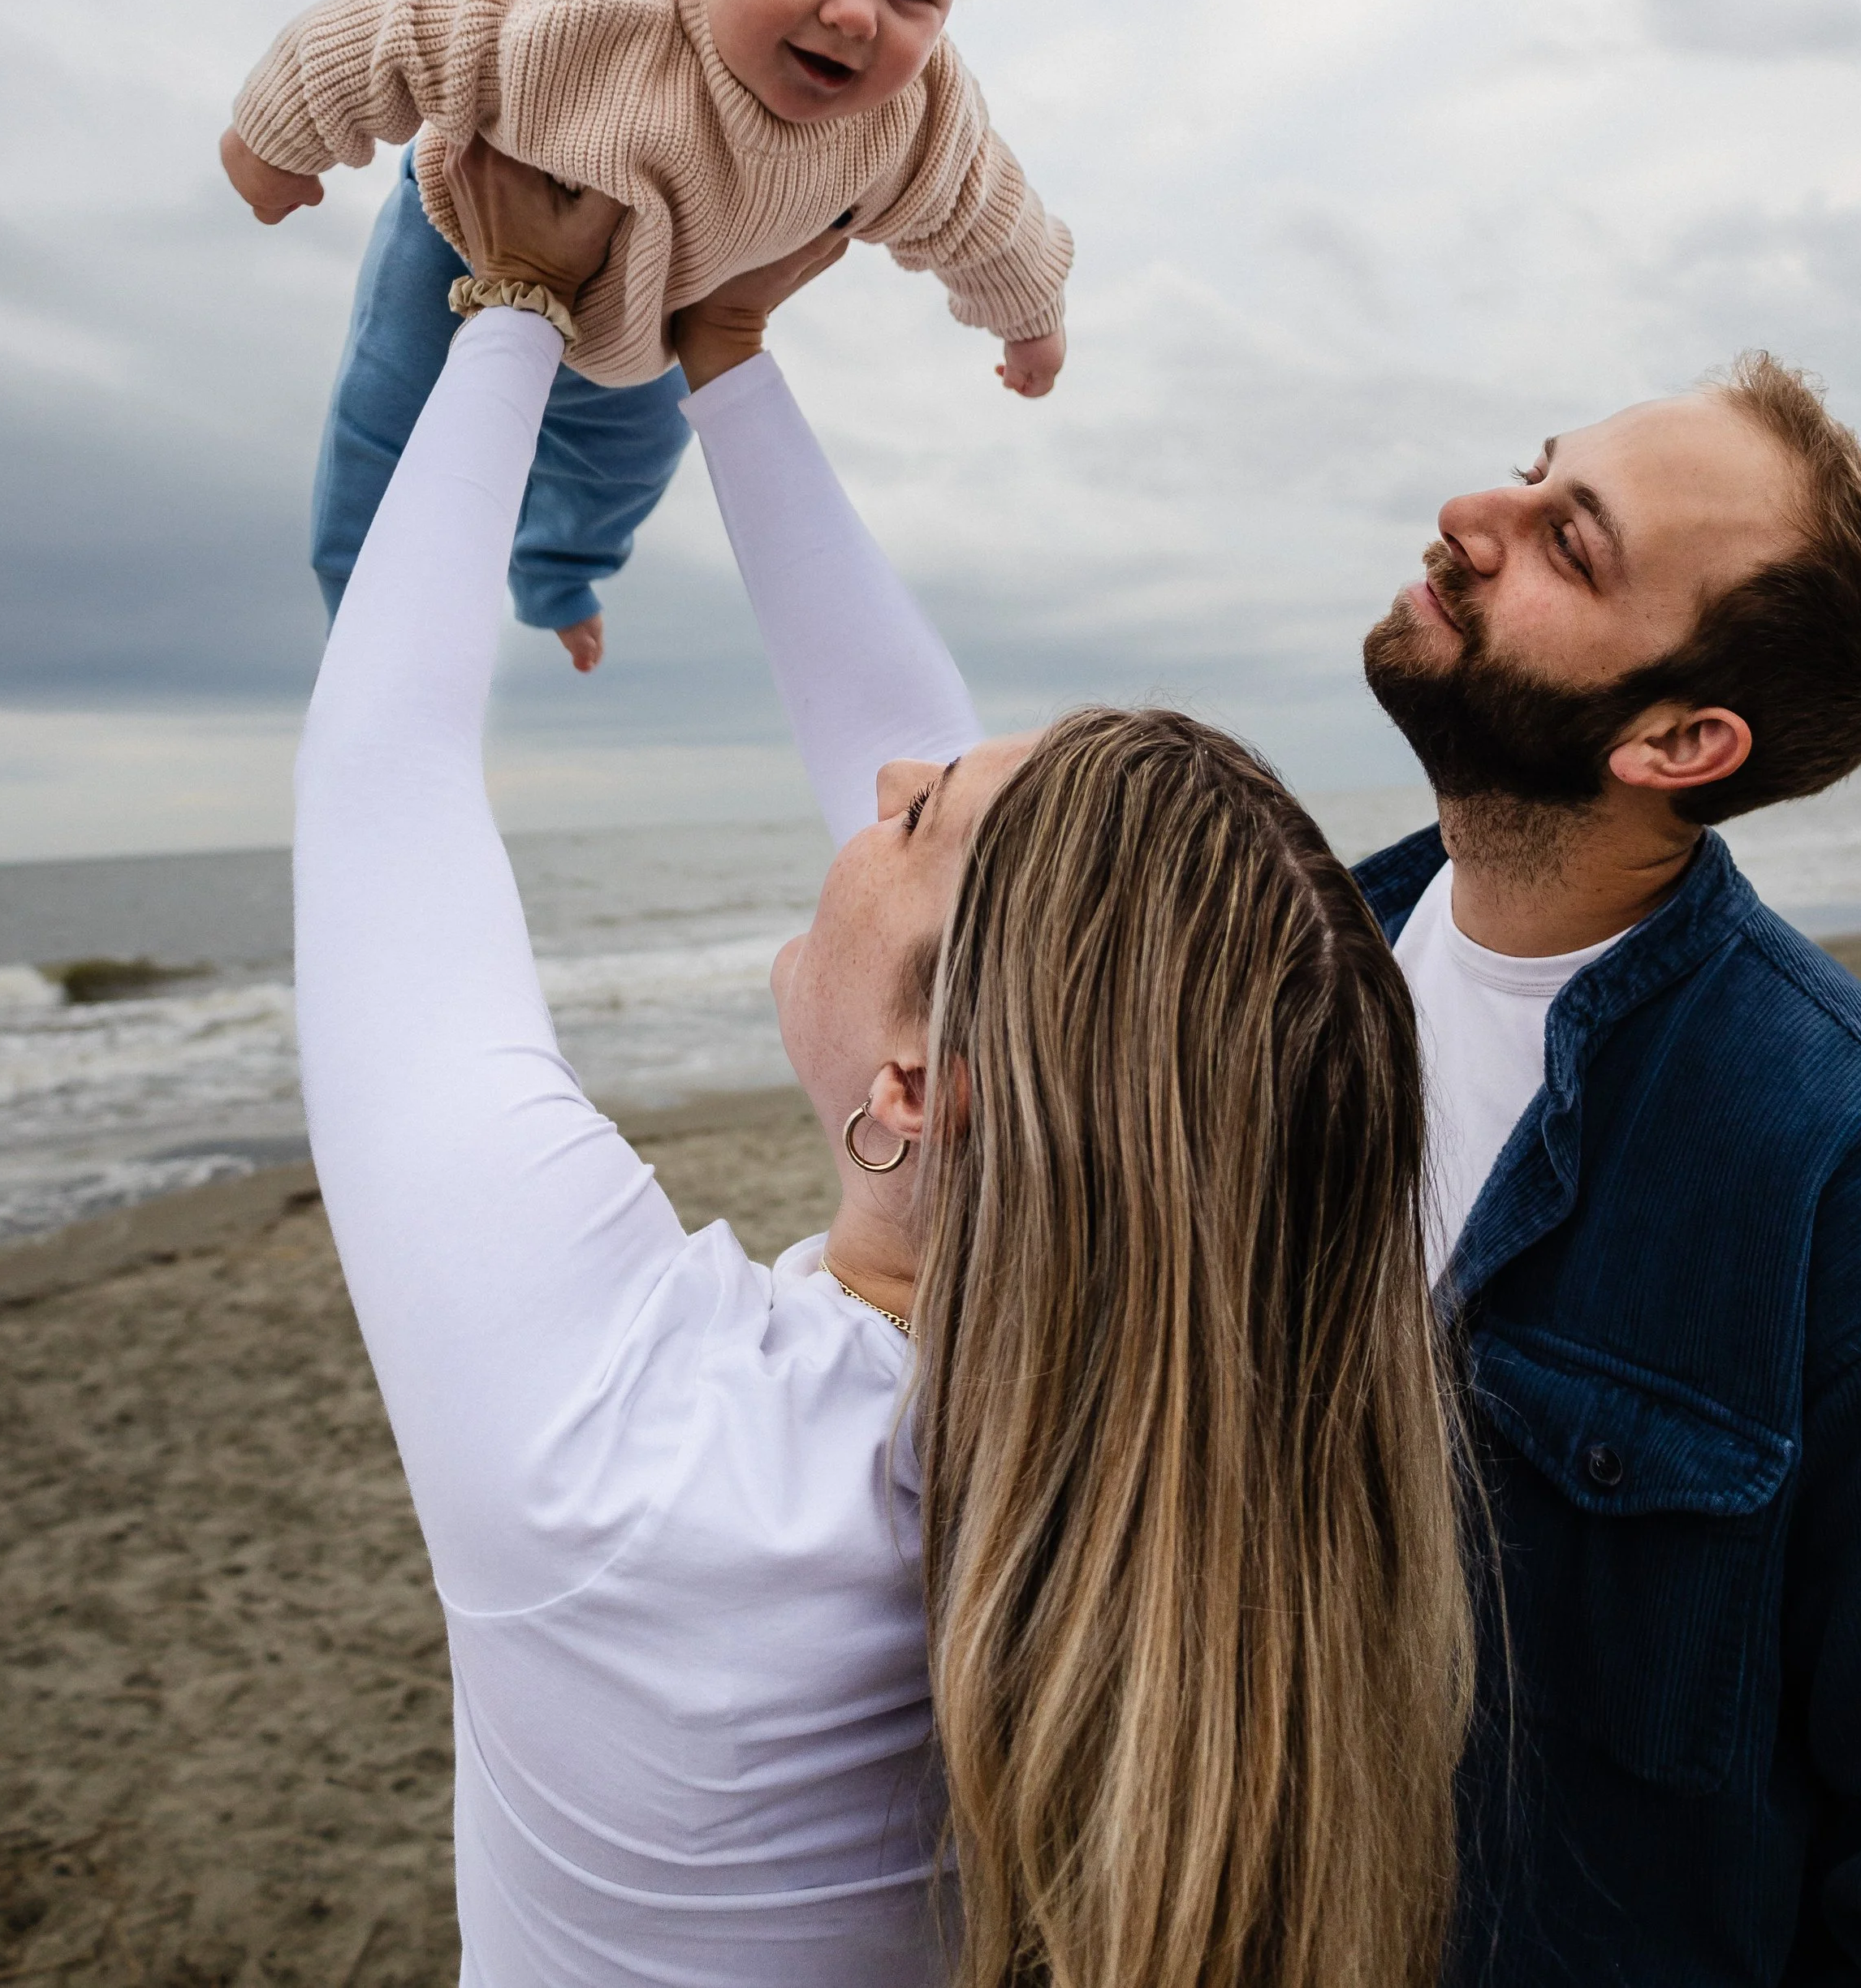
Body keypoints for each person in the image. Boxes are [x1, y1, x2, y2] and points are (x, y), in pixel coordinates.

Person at [291, 140, 1470, 1988]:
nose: (877, 786)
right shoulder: (1254, 1430)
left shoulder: (643, 1467)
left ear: (921, 1084)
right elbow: (1019, 921)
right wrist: (728, 351)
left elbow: (383, 788)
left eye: (908, 814)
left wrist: (515, 294)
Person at [1354, 363, 1861, 1982]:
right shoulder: (1257, 989)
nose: (1473, 519)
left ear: (1679, 739)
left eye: (1569, 544)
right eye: (1527, 473)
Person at [224, 0, 1073, 664]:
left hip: (657, 314)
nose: (854, 14)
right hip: (455, 253)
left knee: (623, 469)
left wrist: (1029, 317)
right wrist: (273, 139)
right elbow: (399, 26)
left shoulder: (911, 122)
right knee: (383, 450)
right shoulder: (581, 11)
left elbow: (989, 213)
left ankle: (558, 575)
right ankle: (363, 646)